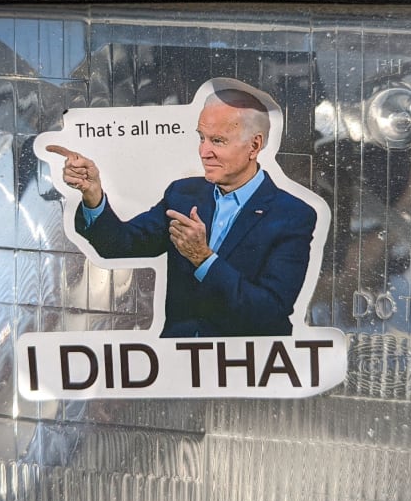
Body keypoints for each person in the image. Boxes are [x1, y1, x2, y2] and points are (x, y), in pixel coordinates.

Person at [47, 89, 317, 337]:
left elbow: (269, 310)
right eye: (201, 138)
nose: (204, 152)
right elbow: (118, 245)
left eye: (218, 141)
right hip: (176, 363)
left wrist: (203, 259)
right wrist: (93, 194)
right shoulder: (183, 195)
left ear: (254, 146)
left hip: (248, 366)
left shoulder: (292, 215)